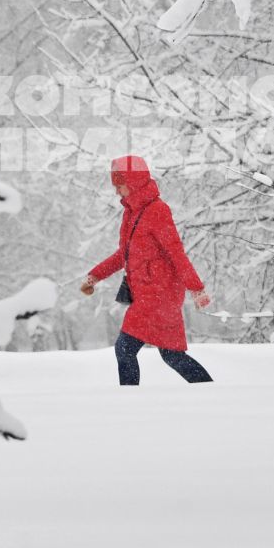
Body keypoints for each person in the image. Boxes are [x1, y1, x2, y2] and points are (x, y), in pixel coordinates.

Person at [80, 155, 214, 385]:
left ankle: (131, 401)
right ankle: (208, 390)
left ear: (132, 182)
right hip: (147, 296)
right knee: (171, 355)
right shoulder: (130, 213)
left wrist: (197, 289)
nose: (117, 192)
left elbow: (175, 253)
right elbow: (124, 254)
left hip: (160, 296)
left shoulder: (157, 211)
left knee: (125, 349)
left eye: (119, 185)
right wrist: (95, 275)